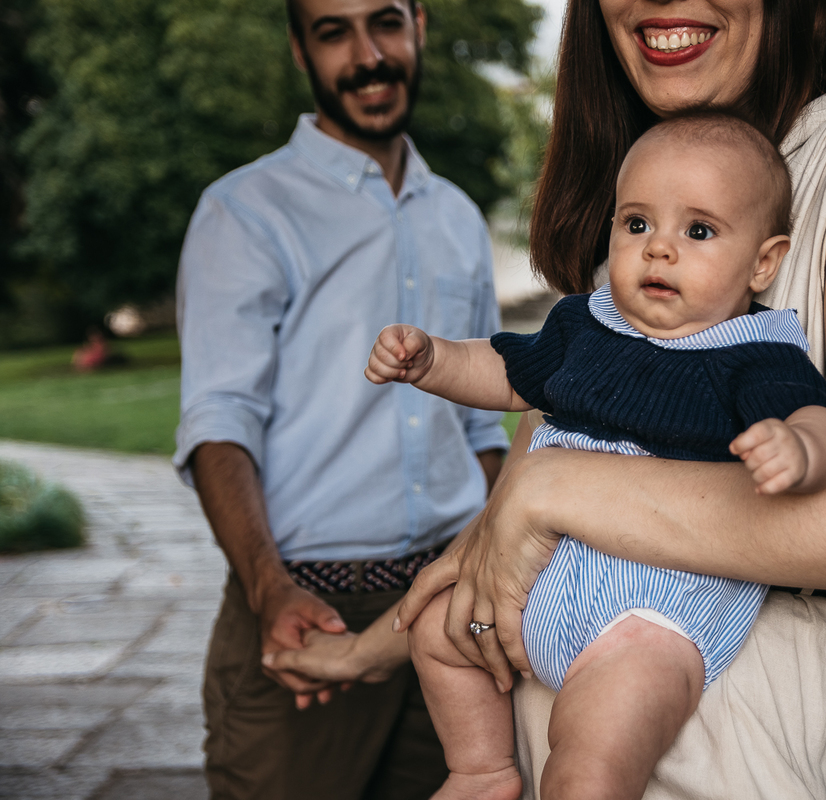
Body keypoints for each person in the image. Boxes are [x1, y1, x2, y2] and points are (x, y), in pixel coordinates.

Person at [273, 0, 826, 797]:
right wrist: (370, 649)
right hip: (548, 693)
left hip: (721, 716)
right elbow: (509, 524)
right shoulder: (641, 231)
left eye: (698, 232)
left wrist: (561, 486)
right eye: (637, 223)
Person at [280, 113, 826, 800]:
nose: (658, 250)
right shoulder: (584, 324)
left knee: (587, 764)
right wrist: (433, 360)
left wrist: (799, 448)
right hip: (535, 585)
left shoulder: (753, 355)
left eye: (697, 231)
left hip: (649, 623)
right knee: (438, 627)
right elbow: (508, 372)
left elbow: (820, 418)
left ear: (764, 260)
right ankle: (480, 770)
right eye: (637, 224)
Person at [172, 0, 509, 797]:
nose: (367, 56)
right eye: (333, 32)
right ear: (300, 50)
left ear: (419, 26)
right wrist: (268, 588)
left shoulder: (458, 217)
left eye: (385, 23)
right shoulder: (243, 212)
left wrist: (491, 563)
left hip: (452, 615)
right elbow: (220, 423)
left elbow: (480, 422)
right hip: (303, 614)